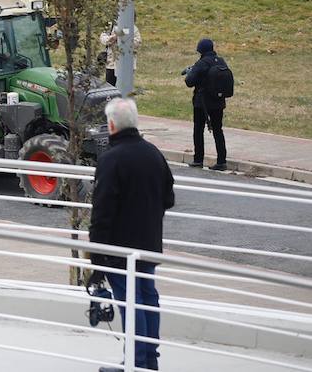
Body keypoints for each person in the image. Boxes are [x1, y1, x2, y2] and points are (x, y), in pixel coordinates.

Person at [89, 98, 174, 372]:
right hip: (149, 243)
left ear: (111, 124)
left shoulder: (110, 160)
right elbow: (168, 197)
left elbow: (101, 214)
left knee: (131, 300)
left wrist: (96, 259)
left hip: (119, 248)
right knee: (148, 296)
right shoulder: (153, 153)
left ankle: (136, 363)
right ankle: (149, 360)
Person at [183, 38, 228, 171]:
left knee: (198, 130)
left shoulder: (201, 63)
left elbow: (189, 82)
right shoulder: (221, 61)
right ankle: (221, 161)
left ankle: (198, 159)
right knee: (218, 130)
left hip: (202, 102)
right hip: (219, 102)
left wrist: (190, 72)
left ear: (201, 50)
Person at [99, 22, 141, 87]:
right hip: (111, 63)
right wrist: (110, 39)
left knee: (124, 87)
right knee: (109, 87)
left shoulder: (132, 27)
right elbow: (103, 38)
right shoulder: (110, 25)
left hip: (126, 63)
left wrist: (121, 38)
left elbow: (137, 43)